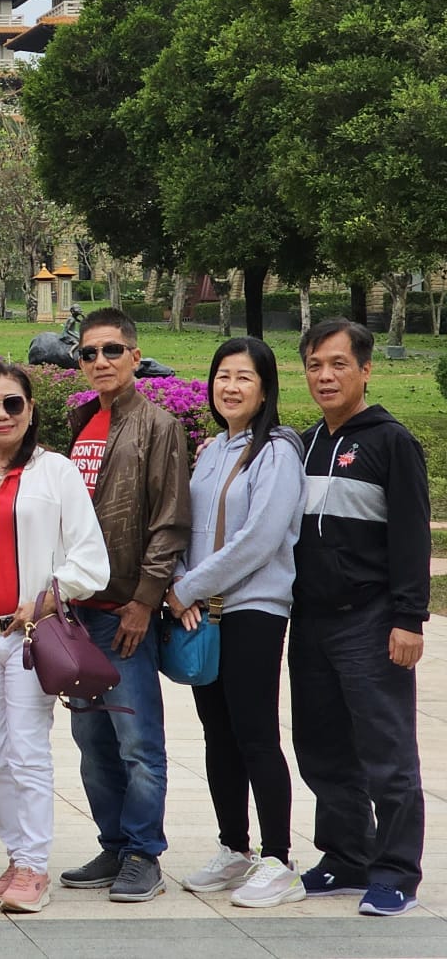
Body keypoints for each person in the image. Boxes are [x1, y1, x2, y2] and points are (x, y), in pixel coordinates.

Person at [0, 361, 109, 916]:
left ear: (31, 408)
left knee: (28, 749)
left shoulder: (55, 472)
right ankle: (15, 858)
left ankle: (34, 866)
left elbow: (91, 558)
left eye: (12, 403)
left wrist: (45, 598)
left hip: (30, 636)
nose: (1, 414)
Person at [288, 319, 429, 917]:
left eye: (339, 364)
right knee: (321, 747)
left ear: (366, 370)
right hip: (311, 621)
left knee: (386, 751)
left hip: (370, 620)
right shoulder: (306, 442)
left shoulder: (391, 442)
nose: (326, 376)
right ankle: (347, 855)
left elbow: (411, 537)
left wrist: (409, 617)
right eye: (316, 365)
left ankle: (396, 870)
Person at [167, 337, 307, 908]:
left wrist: (186, 588)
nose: (231, 387)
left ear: (266, 388)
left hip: (253, 610)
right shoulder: (210, 451)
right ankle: (234, 848)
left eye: (244, 377)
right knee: (216, 732)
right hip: (203, 611)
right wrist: (181, 586)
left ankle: (279, 859)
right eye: (223, 375)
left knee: (254, 732)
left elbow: (261, 540)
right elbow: (182, 524)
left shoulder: (276, 451)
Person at [57, 308, 190, 904]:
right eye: (89, 353)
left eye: (112, 351)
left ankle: (144, 853)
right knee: (92, 743)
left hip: (122, 614)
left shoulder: (158, 425)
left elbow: (169, 522)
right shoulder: (83, 419)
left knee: (138, 742)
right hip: (75, 616)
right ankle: (113, 844)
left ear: (136, 357)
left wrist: (144, 600)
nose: (100, 362)